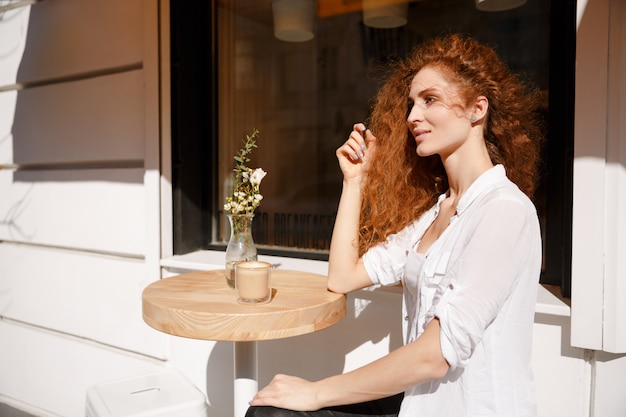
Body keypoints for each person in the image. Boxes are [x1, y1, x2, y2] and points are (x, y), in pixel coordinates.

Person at [246, 33, 543, 417]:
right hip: (418, 403)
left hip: (465, 409)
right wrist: (355, 181)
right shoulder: (435, 216)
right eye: (411, 103)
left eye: (429, 99)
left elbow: (436, 357)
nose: (412, 116)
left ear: (477, 109)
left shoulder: (505, 211)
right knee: (269, 408)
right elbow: (342, 277)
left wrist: (316, 392)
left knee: (276, 412)